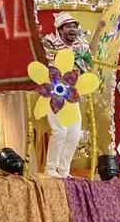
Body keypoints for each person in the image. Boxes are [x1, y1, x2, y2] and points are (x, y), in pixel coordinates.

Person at [41, 11, 105, 177]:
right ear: (60, 30)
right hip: (55, 93)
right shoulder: (51, 44)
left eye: (75, 26)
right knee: (60, 131)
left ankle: (63, 170)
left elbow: (90, 53)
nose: (73, 29)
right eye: (69, 26)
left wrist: (98, 30)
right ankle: (50, 168)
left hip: (71, 95)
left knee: (74, 133)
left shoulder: (78, 46)